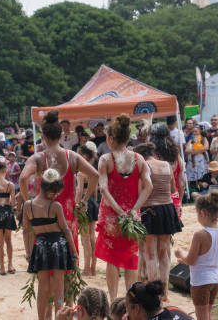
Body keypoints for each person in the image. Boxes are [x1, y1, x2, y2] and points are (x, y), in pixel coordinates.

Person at [20, 110, 99, 293]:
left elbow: (23, 179)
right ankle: (65, 306)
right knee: (69, 268)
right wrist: (84, 201)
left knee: (45, 272)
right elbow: (94, 175)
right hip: (67, 217)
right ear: (62, 135)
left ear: (44, 136)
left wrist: (28, 202)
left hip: (44, 217)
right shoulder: (72, 156)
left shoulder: (39, 158)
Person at [93, 114, 153, 300]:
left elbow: (103, 188)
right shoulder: (139, 159)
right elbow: (148, 186)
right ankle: (130, 301)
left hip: (112, 215)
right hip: (132, 216)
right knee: (130, 258)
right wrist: (134, 209)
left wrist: (118, 211)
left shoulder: (106, 159)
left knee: (112, 259)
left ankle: (113, 301)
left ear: (110, 139)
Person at [23, 168, 78, 320]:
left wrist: (28, 252)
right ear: (50, 191)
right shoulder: (55, 206)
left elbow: (26, 231)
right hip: (58, 246)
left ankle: (42, 318)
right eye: (56, 192)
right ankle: (59, 315)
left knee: (42, 287)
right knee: (59, 288)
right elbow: (66, 230)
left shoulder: (28, 205)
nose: (57, 195)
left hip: (40, 246)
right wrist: (74, 252)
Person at [134, 142, 182, 301]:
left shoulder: (143, 166)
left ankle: (154, 293)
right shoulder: (167, 165)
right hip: (167, 209)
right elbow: (173, 189)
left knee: (151, 253)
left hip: (151, 210)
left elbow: (141, 191)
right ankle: (165, 292)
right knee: (164, 253)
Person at [175, 191, 218, 320]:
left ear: (202, 213)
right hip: (216, 278)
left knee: (202, 316)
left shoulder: (200, 235)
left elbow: (191, 260)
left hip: (201, 280)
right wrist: (184, 259)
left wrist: (181, 255)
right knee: (207, 314)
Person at [150, 123, 186, 220]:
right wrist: (180, 201)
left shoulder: (152, 156)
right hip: (174, 199)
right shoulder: (176, 153)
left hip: (155, 201)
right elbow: (181, 182)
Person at [76, 144, 99, 276]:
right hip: (93, 202)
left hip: (84, 203)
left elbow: (79, 191)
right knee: (92, 237)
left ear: (84, 156)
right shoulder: (93, 171)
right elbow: (95, 192)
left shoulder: (81, 173)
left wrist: (77, 204)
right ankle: (93, 268)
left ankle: (86, 269)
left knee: (85, 239)